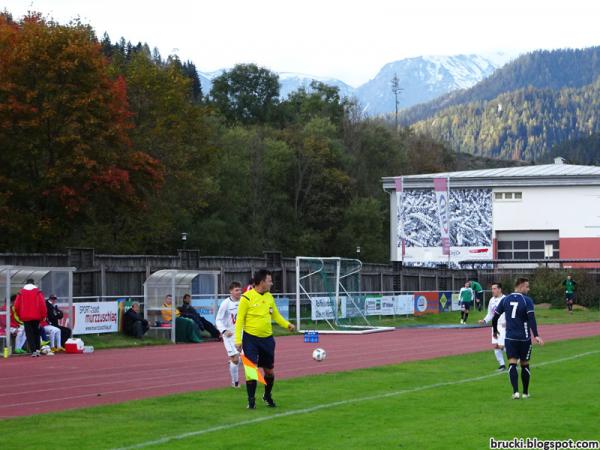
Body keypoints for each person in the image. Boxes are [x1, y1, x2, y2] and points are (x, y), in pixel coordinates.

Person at [235, 269, 295, 409]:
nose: (271, 283)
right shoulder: (246, 298)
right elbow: (239, 321)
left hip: (267, 339)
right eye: (269, 280)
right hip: (250, 339)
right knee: (251, 370)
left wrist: (287, 325)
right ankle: (251, 400)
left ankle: (267, 395)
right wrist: (238, 341)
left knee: (269, 371)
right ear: (262, 282)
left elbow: (276, 316)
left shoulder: (269, 297)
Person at [492, 278, 544, 400]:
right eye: (527, 286)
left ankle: (515, 392)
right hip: (524, 338)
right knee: (525, 364)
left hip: (510, 338)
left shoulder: (505, 299)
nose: (528, 289)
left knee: (512, 363)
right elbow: (532, 319)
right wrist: (536, 335)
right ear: (520, 286)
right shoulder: (527, 300)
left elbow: (495, 317)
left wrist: (495, 330)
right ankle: (525, 393)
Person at [216, 281, 243, 388]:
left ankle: (232, 362)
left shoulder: (244, 301)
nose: (239, 292)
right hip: (230, 335)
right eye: (236, 290)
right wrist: (224, 331)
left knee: (246, 359)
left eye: (240, 290)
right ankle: (235, 383)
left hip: (242, 333)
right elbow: (218, 320)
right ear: (231, 291)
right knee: (236, 359)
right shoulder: (226, 303)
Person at [14, 278, 47, 357]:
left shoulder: (21, 292)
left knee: (29, 334)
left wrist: (19, 315)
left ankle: (33, 351)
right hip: (36, 316)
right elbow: (43, 305)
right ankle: (38, 349)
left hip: (25, 316)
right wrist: (43, 316)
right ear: (34, 283)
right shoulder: (38, 292)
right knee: (36, 333)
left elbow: (16, 306)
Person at [479, 282, 506, 371]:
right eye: (492, 289)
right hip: (495, 326)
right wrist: (484, 320)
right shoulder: (491, 300)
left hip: (504, 326)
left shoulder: (505, 299)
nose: (492, 290)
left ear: (499, 289)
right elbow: (490, 314)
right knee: (497, 346)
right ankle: (502, 365)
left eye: (494, 289)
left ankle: (516, 356)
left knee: (501, 346)